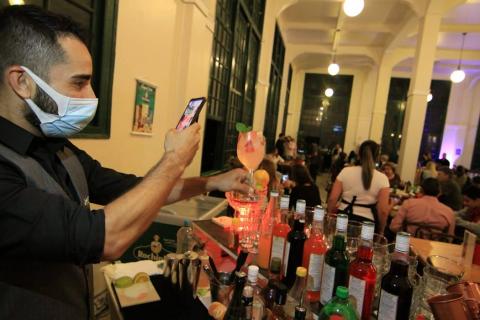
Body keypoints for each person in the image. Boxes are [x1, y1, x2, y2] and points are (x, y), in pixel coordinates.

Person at [0, 5, 249, 319]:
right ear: (22, 82)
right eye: (78, 83)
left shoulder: (58, 149)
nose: (90, 96)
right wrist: (174, 160)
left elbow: (138, 190)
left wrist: (212, 182)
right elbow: (105, 237)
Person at [327, 140, 390, 234]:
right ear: (377, 158)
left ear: (358, 155)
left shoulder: (346, 171)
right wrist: (381, 230)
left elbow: (332, 198)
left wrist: (329, 217)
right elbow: (383, 211)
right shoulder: (382, 178)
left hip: (343, 216)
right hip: (367, 223)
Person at [389, 178, 455, 236]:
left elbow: (394, 227)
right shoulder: (449, 212)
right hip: (434, 248)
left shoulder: (409, 203)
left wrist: (406, 234)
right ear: (439, 193)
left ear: (421, 190)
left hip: (407, 245)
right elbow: (449, 237)